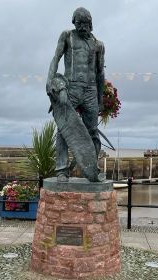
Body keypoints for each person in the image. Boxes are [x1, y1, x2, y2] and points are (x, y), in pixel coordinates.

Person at [46, 7, 105, 182]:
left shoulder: (98, 45)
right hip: (71, 87)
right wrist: (50, 81)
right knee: (64, 128)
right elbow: (55, 58)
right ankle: (62, 170)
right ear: (74, 22)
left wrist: (100, 98)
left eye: (85, 23)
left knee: (93, 130)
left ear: (91, 23)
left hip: (90, 90)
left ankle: (93, 168)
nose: (81, 27)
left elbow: (100, 72)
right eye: (78, 23)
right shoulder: (67, 36)